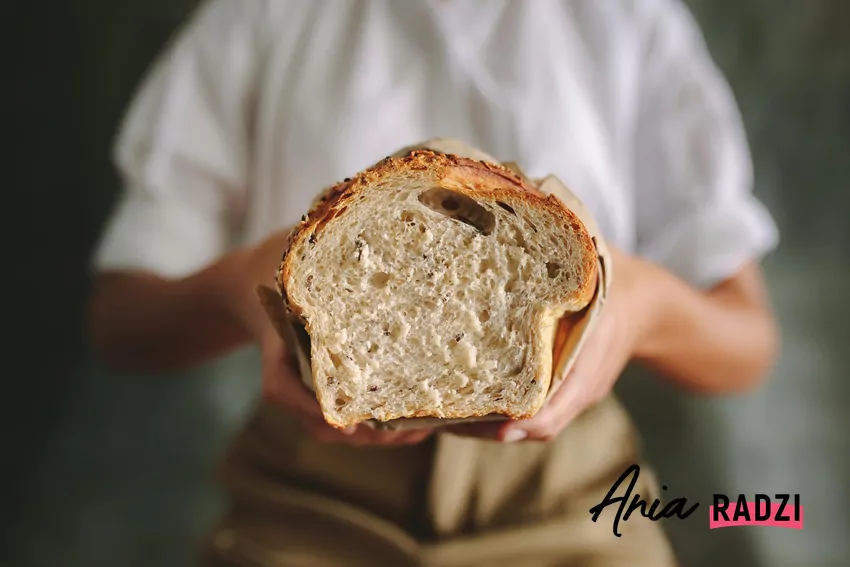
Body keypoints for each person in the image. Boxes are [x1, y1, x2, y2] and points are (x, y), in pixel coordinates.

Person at [87, 0, 780, 565]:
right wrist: (243, 284)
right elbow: (122, 320)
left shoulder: (629, 23)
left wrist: (639, 304)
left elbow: (746, 341)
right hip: (307, 506)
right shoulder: (258, 17)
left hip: (571, 508)